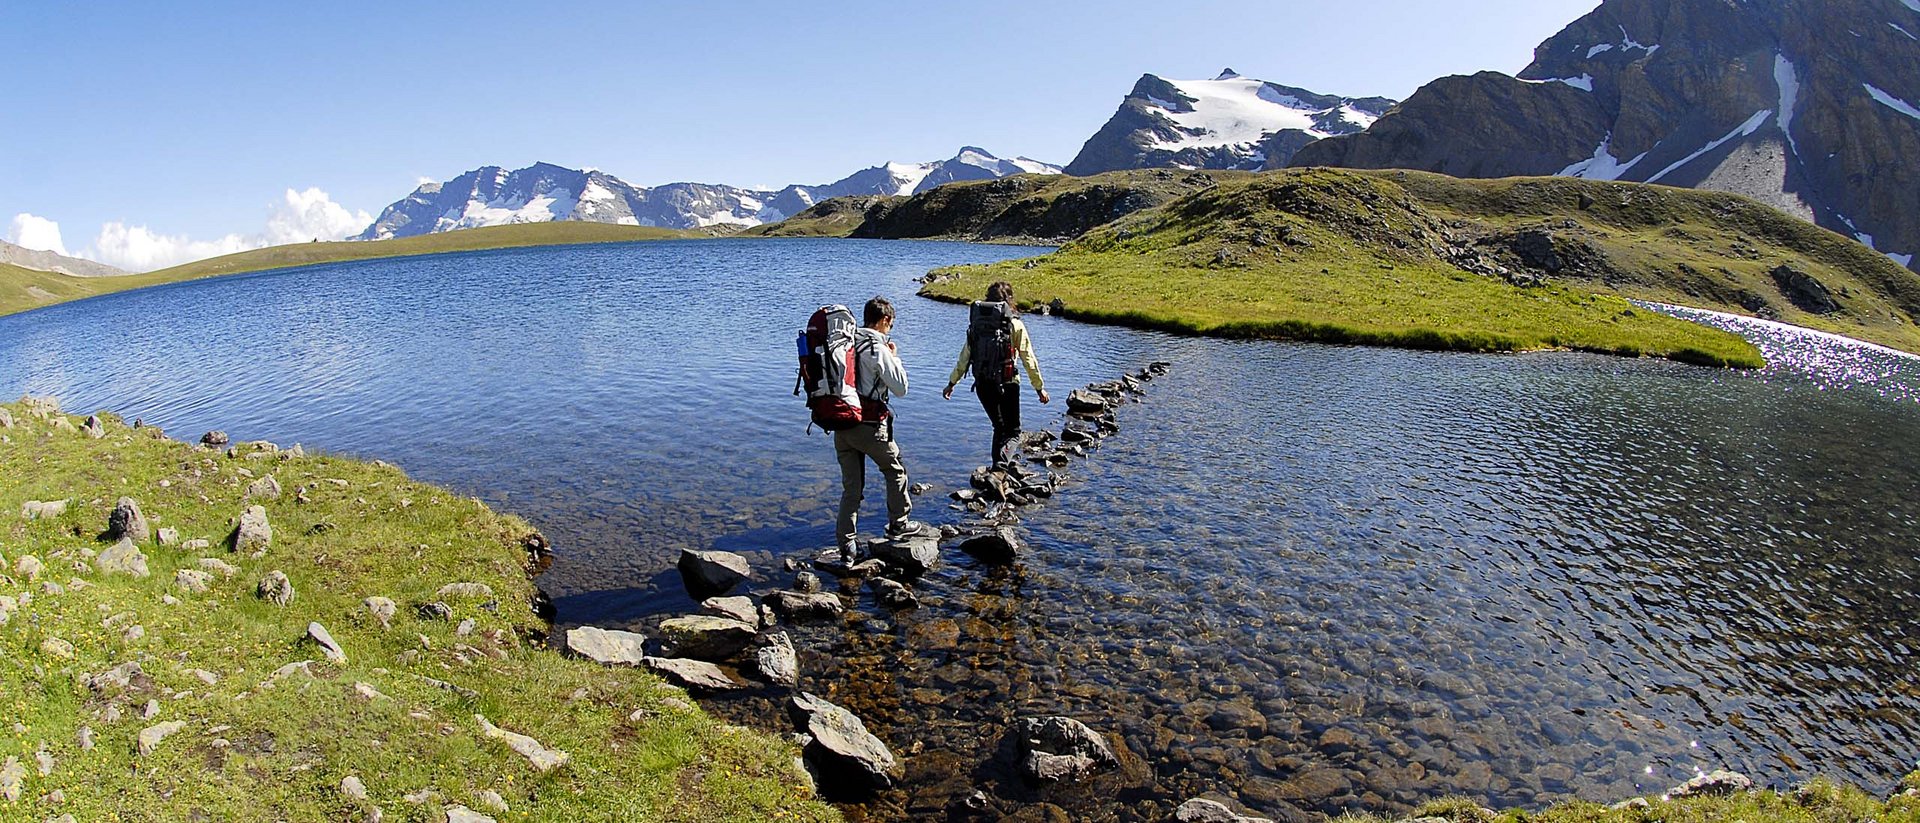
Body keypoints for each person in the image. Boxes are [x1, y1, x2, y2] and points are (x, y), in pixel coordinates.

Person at [835, 296, 929, 562]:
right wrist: (895, 357)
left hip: (841, 424)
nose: (891, 328)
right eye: (891, 323)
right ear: (885, 320)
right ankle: (899, 524)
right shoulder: (877, 347)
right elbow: (901, 388)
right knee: (894, 470)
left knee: (851, 488)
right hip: (869, 425)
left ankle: (847, 547)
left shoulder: (846, 342)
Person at [943, 280, 1050, 466]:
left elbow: (964, 358)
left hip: (983, 383)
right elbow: (1028, 359)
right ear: (1009, 301)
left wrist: (952, 383)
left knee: (998, 427)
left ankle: (996, 472)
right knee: (1013, 432)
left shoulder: (976, 326)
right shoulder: (1015, 325)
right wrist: (1039, 389)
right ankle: (999, 470)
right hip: (1008, 383)